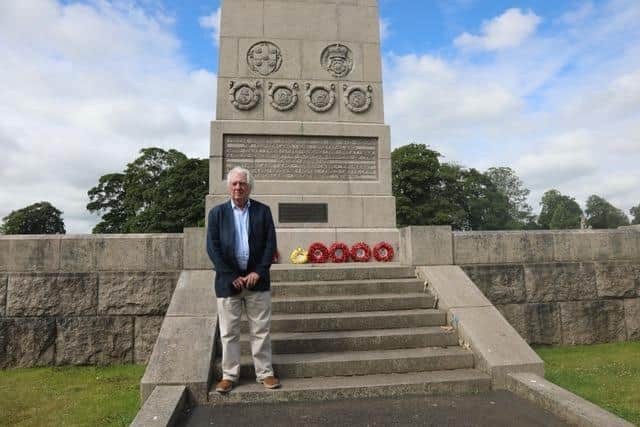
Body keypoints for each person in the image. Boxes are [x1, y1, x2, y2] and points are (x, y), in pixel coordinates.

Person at [206, 166, 280, 393]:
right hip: (228, 283)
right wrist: (230, 275)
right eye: (235, 183)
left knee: (260, 330)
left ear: (249, 187)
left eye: (243, 184)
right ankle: (229, 375)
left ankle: (265, 373)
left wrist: (259, 270)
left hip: (257, 281)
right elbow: (213, 248)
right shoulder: (217, 214)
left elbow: (270, 244)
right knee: (229, 332)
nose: (238, 187)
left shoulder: (263, 211)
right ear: (229, 187)